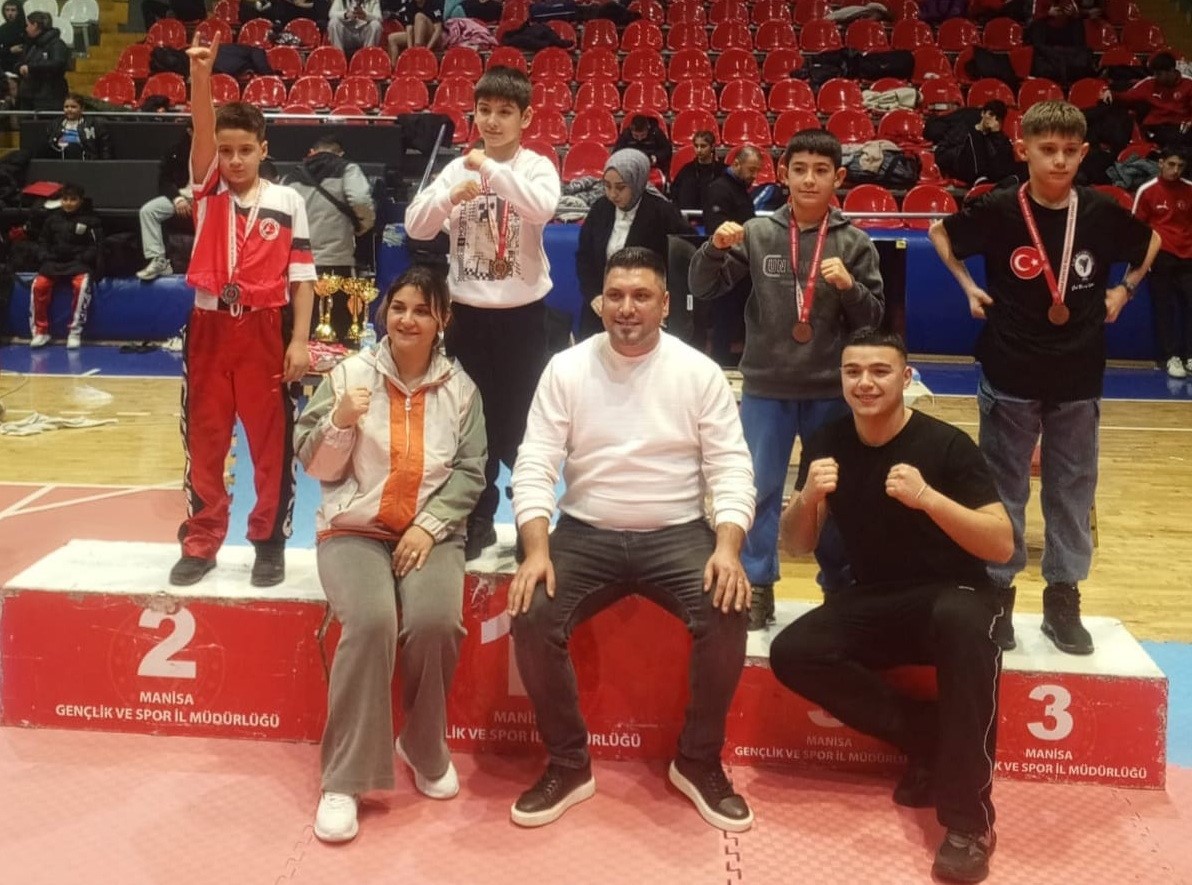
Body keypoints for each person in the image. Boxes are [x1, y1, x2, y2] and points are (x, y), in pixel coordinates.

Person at [507, 246, 756, 833]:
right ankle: (568, 764)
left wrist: (727, 548)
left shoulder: (698, 372)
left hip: (677, 532)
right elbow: (535, 462)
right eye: (615, 296)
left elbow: (731, 467)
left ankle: (697, 760)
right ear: (599, 303)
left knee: (727, 607)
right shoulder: (566, 369)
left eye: (641, 296)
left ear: (665, 304)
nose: (626, 308)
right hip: (585, 531)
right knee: (532, 611)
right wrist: (536, 551)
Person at [771, 328, 1014, 885]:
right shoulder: (827, 440)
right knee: (795, 651)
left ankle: (969, 825)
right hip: (878, 596)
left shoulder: (947, 445)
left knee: (960, 620)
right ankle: (930, 736)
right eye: (853, 371)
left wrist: (928, 499)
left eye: (879, 371)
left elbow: (1002, 545)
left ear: (905, 378)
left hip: (957, 596)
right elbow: (798, 544)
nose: (865, 383)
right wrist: (807, 497)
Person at [929, 100, 1161, 655]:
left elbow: (1150, 243)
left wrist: (1124, 290)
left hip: (1078, 372)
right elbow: (940, 233)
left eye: (1069, 151)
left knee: (1071, 490)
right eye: (1047, 149)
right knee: (1003, 489)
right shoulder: (1000, 208)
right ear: (1023, 150)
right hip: (1009, 369)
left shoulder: (1099, 211)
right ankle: (998, 596)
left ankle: (1062, 598)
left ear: (1083, 153)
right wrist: (968, 287)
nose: (1059, 160)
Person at [295, 265, 486, 844]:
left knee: (435, 621)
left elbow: (471, 471)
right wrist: (339, 422)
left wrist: (429, 526)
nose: (408, 319)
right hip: (354, 530)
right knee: (372, 620)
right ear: (384, 313)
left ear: (442, 320)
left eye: (422, 310)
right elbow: (314, 466)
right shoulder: (348, 375)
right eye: (399, 307)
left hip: (430, 534)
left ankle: (422, 744)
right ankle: (344, 778)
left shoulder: (462, 390)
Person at [690, 130, 884, 629]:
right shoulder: (758, 233)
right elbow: (701, 287)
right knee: (757, 489)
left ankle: (839, 584)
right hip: (767, 388)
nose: (809, 180)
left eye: (821, 170)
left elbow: (874, 321)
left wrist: (850, 288)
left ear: (839, 177)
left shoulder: (854, 242)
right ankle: (757, 585)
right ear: (783, 174)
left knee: (835, 493)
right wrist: (713, 249)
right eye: (800, 169)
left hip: (829, 393)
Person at [169, 31, 316, 588]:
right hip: (209, 326)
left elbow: (302, 279)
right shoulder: (207, 191)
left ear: (263, 149)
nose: (233, 160)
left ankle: (268, 541)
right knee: (206, 439)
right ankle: (202, 540)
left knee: (270, 442)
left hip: (265, 329)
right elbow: (202, 128)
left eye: (244, 150)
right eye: (226, 150)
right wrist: (200, 77)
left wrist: (298, 341)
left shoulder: (288, 200)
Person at [404, 65, 561, 562]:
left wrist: (489, 171)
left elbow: (541, 209)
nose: (492, 121)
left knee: (523, 427)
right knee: (469, 424)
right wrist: (449, 195)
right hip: (467, 318)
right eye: (484, 111)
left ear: (525, 118)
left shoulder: (536, 166)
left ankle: (531, 524)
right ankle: (476, 519)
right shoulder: (456, 171)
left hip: (522, 319)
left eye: (504, 112)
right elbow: (416, 226)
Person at [575, 148, 690, 340]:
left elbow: (683, 259)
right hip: (602, 307)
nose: (613, 194)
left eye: (620, 187)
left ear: (637, 182)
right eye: (607, 186)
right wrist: (593, 294)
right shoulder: (600, 208)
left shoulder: (663, 213)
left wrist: (663, 305)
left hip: (646, 310)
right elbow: (584, 257)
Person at [282, 136, 376, 341]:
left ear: (311, 152)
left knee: (302, 332)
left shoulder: (291, 176)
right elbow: (360, 200)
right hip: (337, 262)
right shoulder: (348, 169)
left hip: (298, 266)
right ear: (340, 154)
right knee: (342, 331)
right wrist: (362, 227)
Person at [1133, 146, 1192, 379]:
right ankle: (1169, 357)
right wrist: (1143, 260)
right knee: (1164, 307)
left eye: (1180, 166)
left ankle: (1189, 355)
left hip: (1188, 255)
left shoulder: (1190, 189)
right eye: (1171, 164)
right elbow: (1136, 228)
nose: (1175, 170)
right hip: (1161, 255)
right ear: (1161, 163)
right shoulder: (1147, 190)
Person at [702, 144, 763, 367]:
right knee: (724, 319)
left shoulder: (740, 189)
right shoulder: (719, 189)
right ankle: (719, 364)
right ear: (736, 164)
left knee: (740, 319)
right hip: (727, 265)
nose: (754, 175)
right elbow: (717, 229)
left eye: (757, 170)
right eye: (751, 169)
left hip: (743, 264)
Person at [29, 183, 101, 350]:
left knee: (81, 284)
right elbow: (43, 242)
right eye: (65, 199)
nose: (68, 203)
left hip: (77, 263)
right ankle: (40, 331)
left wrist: (84, 257)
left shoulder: (91, 220)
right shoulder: (51, 220)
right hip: (53, 262)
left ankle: (75, 331)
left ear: (80, 201)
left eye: (73, 199)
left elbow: (96, 246)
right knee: (39, 285)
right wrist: (44, 256)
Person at [137, 125, 193, 282]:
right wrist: (178, 199)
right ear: (190, 131)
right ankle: (158, 260)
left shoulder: (217, 149)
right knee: (148, 211)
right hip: (182, 196)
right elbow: (164, 181)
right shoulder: (175, 151)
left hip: (208, 199)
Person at [1105, 52, 1192, 153]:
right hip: (1157, 126)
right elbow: (1127, 96)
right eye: (1155, 73)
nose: (1155, 76)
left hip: (1181, 126)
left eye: (1159, 74)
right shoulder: (1149, 83)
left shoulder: (1189, 84)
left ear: (1171, 70)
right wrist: (1111, 93)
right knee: (1174, 140)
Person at [950, 100, 1019, 187]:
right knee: (975, 140)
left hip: (995, 175)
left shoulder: (1000, 137)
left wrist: (996, 135)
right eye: (991, 114)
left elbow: (1006, 161)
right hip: (971, 174)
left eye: (997, 118)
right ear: (982, 113)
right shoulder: (968, 132)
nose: (993, 120)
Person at [15, 11, 68, 112]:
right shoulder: (30, 44)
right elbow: (20, 62)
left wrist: (31, 68)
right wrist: (19, 68)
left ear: (35, 25)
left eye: (28, 25)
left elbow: (57, 64)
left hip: (49, 97)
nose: (26, 29)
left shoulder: (57, 44)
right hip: (27, 96)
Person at [42, 93, 112, 161]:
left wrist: (105, 164)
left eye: (73, 107)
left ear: (82, 109)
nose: (69, 109)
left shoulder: (92, 124)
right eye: (66, 107)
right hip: (59, 155)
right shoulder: (56, 124)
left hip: (83, 158)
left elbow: (105, 147)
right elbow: (50, 143)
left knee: (72, 147)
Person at [670, 130, 725, 213]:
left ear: (712, 147)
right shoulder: (686, 169)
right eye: (696, 146)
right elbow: (675, 193)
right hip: (689, 215)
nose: (698, 150)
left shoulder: (722, 170)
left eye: (703, 146)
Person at [611, 114, 673, 178]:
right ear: (631, 130)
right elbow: (616, 153)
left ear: (648, 129)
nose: (639, 139)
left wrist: (656, 157)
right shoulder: (626, 134)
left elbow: (667, 150)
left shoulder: (656, 133)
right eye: (636, 136)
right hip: (631, 167)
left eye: (643, 135)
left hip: (653, 166)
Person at [0, 1, 26, 77]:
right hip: (6, 64)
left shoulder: (26, 27)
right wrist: (10, 50)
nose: (10, 13)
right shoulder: (2, 29)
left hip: (24, 64)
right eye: (7, 10)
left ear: (18, 11)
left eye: (13, 10)